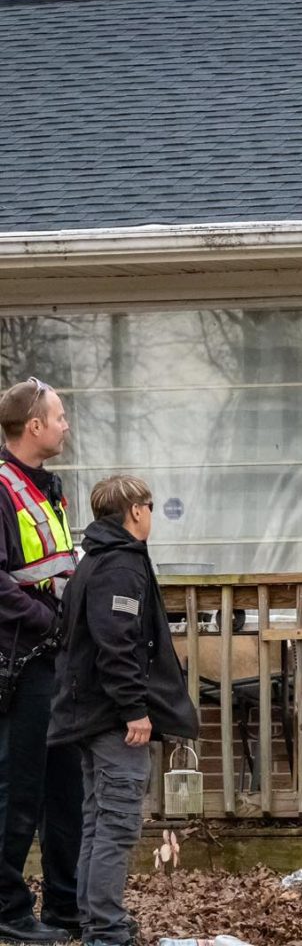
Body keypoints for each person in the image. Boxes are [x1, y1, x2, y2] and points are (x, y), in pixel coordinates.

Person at [48, 475, 199, 946]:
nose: (151, 514)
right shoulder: (119, 567)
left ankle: (97, 922)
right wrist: (135, 709)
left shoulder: (95, 560)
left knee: (97, 821)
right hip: (114, 720)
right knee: (115, 825)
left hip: (90, 715)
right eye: (149, 506)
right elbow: (118, 646)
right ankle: (107, 931)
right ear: (135, 511)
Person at [0, 377, 82, 944]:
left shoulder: (47, 487)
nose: (65, 424)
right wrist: (51, 622)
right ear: (34, 426)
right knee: (17, 790)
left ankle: (64, 906)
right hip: (22, 662)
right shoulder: (3, 488)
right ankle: (7, 911)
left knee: (65, 790)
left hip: (58, 661)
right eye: (59, 416)